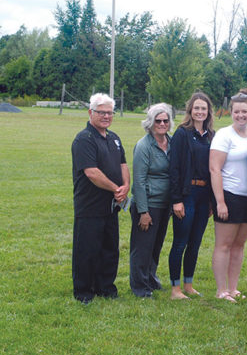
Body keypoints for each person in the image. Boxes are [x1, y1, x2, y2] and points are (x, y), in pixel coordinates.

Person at [71, 93, 130, 304]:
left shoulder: (114, 138)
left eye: (109, 113)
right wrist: (116, 188)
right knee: (87, 249)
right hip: (90, 205)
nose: (106, 116)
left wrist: (125, 187)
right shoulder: (84, 139)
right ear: (90, 113)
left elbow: (123, 164)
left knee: (109, 248)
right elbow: (91, 172)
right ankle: (84, 291)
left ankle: (106, 287)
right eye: (101, 112)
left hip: (111, 206)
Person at [209, 88, 247, 303]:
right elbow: (214, 169)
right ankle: (221, 290)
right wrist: (220, 201)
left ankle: (233, 287)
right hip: (229, 195)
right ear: (231, 112)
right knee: (224, 245)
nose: (241, 116)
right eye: (237, 112)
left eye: (244, 112)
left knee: (239, 245)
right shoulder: (223, 135)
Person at [168, 92, 215, 300]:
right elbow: (174, 168)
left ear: (208, 112)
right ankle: (175, 289)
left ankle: (188, 284)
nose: (200, 112)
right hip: (186, 195)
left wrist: (213, 201)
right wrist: (176, 200)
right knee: (180, 242)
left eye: (203, 108)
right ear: (190, 110)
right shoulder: (181, 134)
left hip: (204, 196)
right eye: (196, 108)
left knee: (195, 243)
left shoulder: (211, 136)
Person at [129, 103, 173, 298]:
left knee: (156, 245)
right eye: (158, 120)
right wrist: (143, 212)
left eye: (165, 120)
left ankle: (150, 278)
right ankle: (139, 286)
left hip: (165, 205)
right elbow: (138, 181)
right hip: (148, 205)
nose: (162, 124)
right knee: (142, 247)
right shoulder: (144, 146)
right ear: (150, 122)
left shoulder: (171, 143)